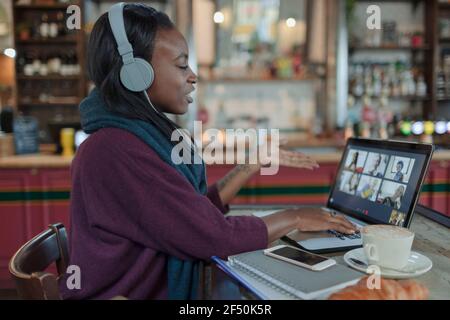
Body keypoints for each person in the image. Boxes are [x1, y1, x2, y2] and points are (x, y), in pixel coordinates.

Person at [59, 3, 356, 300]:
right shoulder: (116, 150)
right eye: (180, 65)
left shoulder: (131, 137)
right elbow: (212, 236)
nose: (192, 76)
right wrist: (294, 217)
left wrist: (250, 165)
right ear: (136, 72)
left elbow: (187, 216)